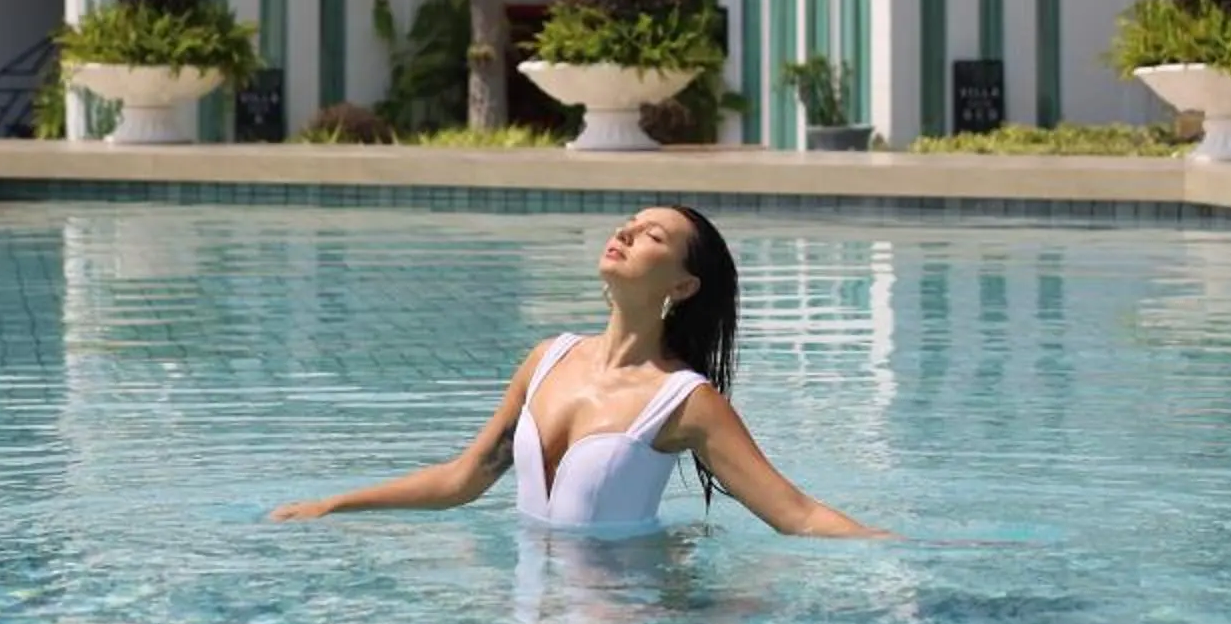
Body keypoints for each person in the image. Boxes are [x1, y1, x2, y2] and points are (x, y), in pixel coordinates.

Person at [270, 203, 881, 537]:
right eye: (630, 223)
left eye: (652, 237)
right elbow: (464, 477)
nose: (626, 232)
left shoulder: (684, 401)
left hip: (629, 623)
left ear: (683, 285)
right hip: (533, 614)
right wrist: (334, 505)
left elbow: (794, 513)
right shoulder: (548, 359)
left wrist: (915, 557)